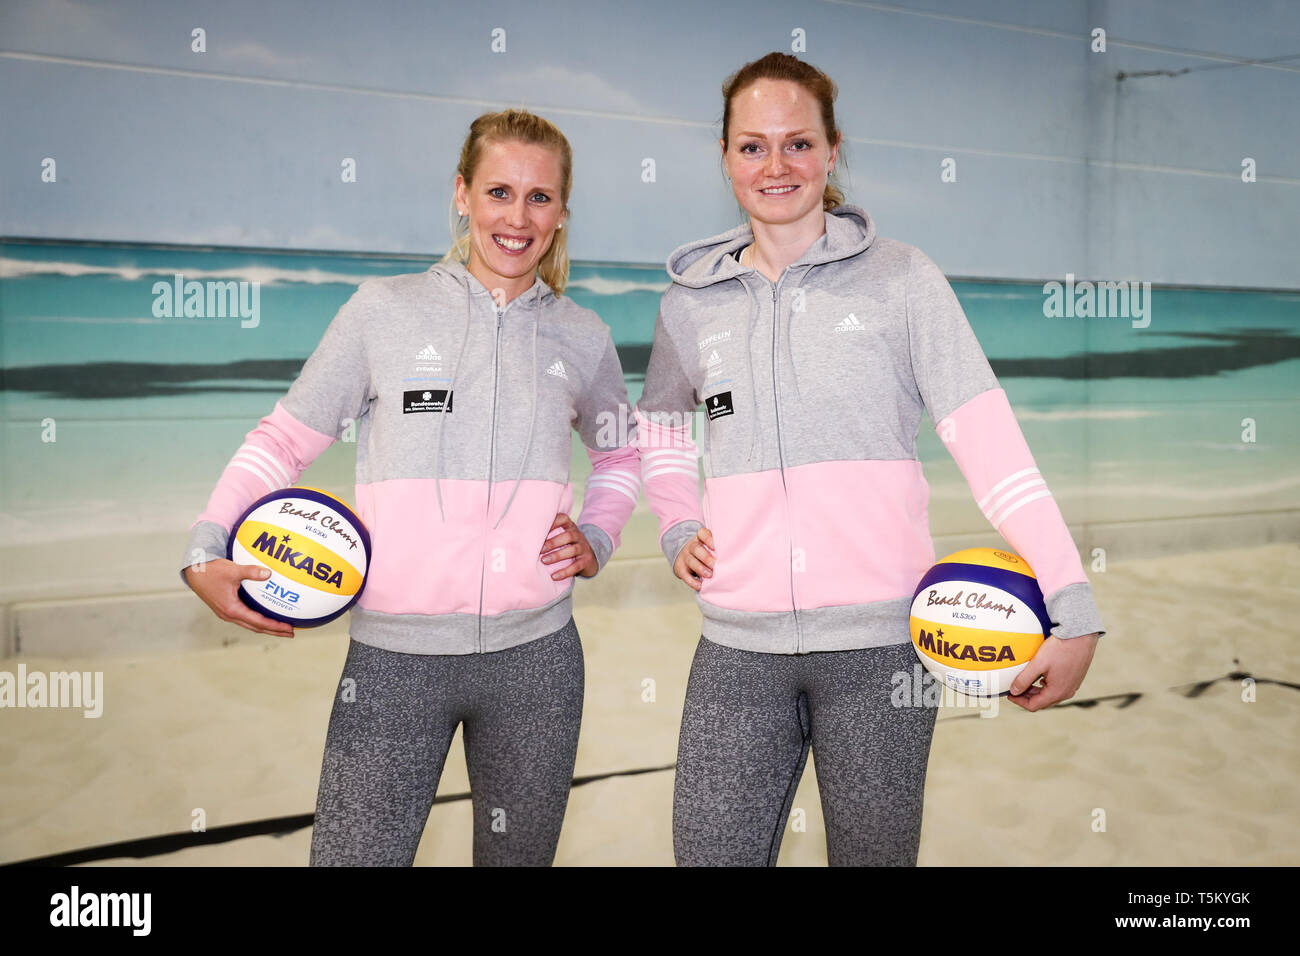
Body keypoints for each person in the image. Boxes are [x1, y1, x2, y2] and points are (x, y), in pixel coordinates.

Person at [635, 52, 1106, 867]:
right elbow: (662, 431)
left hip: (884, 649)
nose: (775, 165)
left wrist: (1072, 600)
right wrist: (678, 524)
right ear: (724, 157)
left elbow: (991, 447)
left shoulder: (904, 282)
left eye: (798, 143)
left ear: (832, 149)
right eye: (752, 146)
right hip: (735, 651)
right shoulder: (690, 305)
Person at [180, 109, 640, 866]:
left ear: (561, 215)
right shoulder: (382, 312)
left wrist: (597, 537)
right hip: (394, 663)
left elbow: (620, 458)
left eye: (539, 198)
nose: (516, 217)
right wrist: (205, 546)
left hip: (539, 663)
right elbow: (285, 440)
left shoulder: (582, 335)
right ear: (462, 194)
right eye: (498, 191)